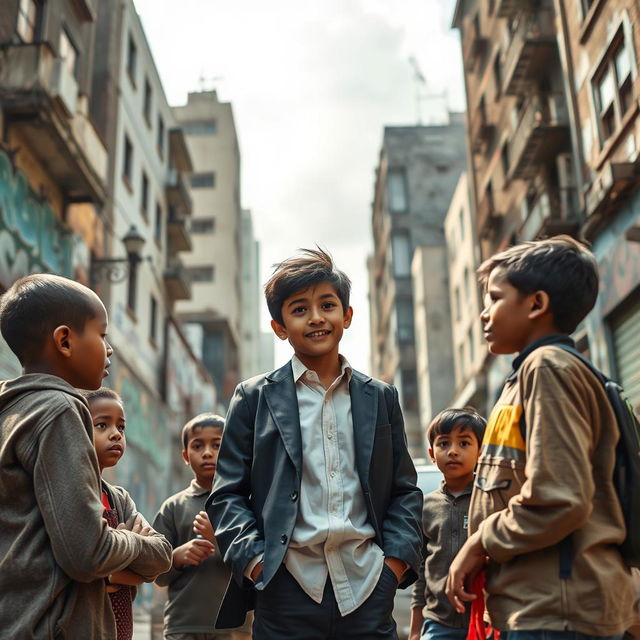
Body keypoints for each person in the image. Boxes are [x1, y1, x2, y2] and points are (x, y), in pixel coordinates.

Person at [207, 248, 423, 640]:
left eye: (327, 304)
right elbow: (227, 495)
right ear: (279, 326)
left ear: (347, 315)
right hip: (284, 588)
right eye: (300, 309)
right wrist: (256, 563)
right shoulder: (254, 398)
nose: (317, 317)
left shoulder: (381, 397)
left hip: (367, 584)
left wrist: (392, 567)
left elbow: (404, 491)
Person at [446, 236, 636, 639]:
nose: (483, 314)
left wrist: (480, 542)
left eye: (494, 298)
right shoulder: (527, 375)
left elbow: (559, 499)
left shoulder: (547, 368)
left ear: (536, 304)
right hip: (540, 608)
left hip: (559, 613)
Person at [0, 273, 172, 640]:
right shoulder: (59, 409)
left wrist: (120, 550)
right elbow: (88, 554)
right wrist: (133, 541)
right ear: (64, 340)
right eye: (102, 334)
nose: (109, 350)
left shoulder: (12, 411)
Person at [154, 413, 250, 640]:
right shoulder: (173, 507)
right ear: (186, 456)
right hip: (183, 625)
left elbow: (259, 565)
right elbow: (156, 573)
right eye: (198, 446)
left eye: (217, 445)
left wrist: (220, 537)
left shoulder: (247, 503)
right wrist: (176, 557)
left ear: (232, 451)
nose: (207, 452)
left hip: (235, 627)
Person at [83, 386, 168, 640]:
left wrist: (110, 572)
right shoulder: (69, 494)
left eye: (121, 427)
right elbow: (77, 562)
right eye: (102, 425)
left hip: (121, 629)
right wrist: (131, 564)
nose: (115, 435)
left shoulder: (118, 498)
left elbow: (161, 558)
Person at [409, 408, 486, 640]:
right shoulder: (426, 505)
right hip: (438, 622)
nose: (452, 451)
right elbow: (422, 570)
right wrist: (415, 630)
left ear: (481, 452)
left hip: (483, 620)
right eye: (444, 444)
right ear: (432, 453)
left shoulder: (489, 500)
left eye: (464, 444)